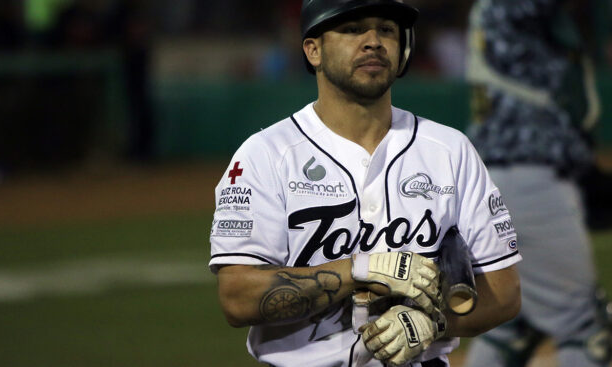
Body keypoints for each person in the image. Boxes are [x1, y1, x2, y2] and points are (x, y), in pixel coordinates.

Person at [208, 1, 522, 366]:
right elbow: (237, 298)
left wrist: (434, 322)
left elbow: (504, 292)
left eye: (386, 30)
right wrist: (360, 269)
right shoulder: (266, 155)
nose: (374, 41)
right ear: (313, 50)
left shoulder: (450, 151)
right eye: (354, 29)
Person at [462, 0, 612, 366]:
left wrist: (582, 168)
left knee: (512, 325)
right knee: (584, 326)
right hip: (531, 181)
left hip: (503, 178)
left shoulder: (498, 14)